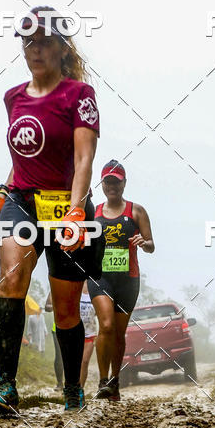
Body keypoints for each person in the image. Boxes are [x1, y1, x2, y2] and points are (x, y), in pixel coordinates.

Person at [0, 6, 104, 414]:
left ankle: (72, 385)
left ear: (61, 48)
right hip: (21, 202)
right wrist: (4, 191)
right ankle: (5, 387)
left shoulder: (79, 95)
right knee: (12, 282)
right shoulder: (13, 98)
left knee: (67, 308)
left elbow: (84, 158)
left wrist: (75, 212)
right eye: (28, 42)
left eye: (44, 42)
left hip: (66, 206)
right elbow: (23, 157)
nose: (35, 50)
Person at [87, 161, 154, 402]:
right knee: (105, 325)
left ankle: (115, 381)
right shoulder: (93, 212)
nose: (112, 186)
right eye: (108, 181)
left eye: (117, 181)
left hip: (128, 280)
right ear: (102, 184)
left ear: (124, 183)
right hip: (100, 277)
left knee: (118, 332)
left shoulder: (136, 211)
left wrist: (142, 242)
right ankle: (103, 381)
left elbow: (151, 246)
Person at [79, 282, 98, 386]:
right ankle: (72, 388)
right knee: (74, 363)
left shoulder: (95, 294)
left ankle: (81, 388)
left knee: (84, 362)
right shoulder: (76, 292)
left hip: (90, 334)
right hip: (76, 334)